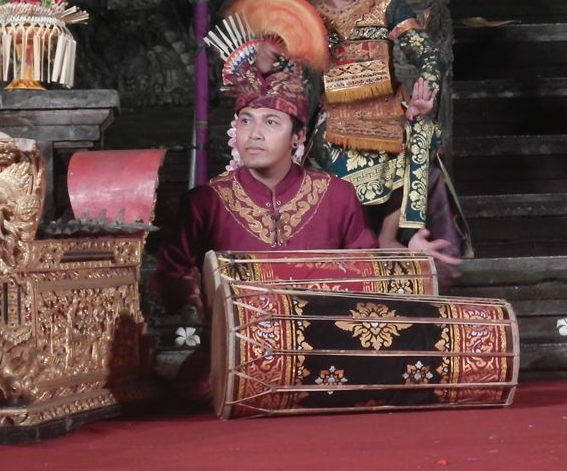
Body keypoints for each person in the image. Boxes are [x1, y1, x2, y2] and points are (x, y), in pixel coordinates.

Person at [152, 61, 457, 406]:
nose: (254, 134)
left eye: (271, 122)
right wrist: (192, 290)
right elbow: (169, 280)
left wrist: (405, 254)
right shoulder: (206, 201)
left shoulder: (336, 195)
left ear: (298, 137)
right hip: (236, 360)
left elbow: (366, 273)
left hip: (329, 356)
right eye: (246, 121)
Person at [275, 0, 468, 254]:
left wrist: (424, 92)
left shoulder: (385, 2)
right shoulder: (306, 15)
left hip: (389, 110)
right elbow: (288, 73)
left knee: (419, 132)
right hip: (336, 119)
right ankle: (354, 242)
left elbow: (428, 55)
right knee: (325, 153)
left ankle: (404, 237)